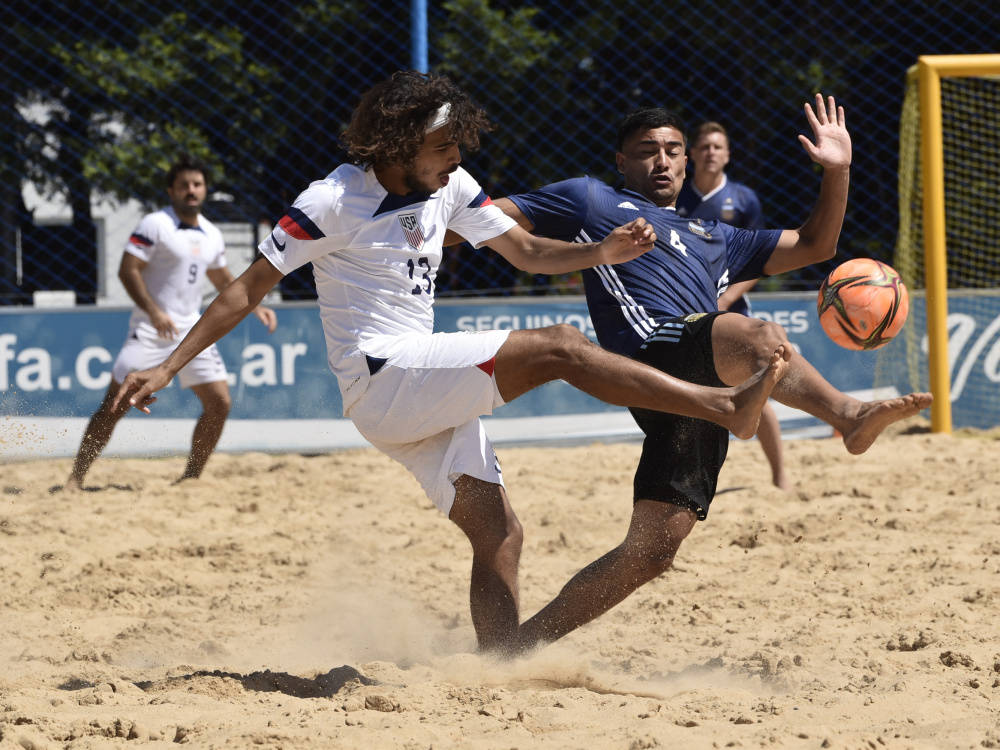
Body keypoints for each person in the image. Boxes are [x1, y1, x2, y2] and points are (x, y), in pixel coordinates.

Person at [111, 71, 793, 658]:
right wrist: (170, 367)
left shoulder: (452, 184)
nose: (457, 155)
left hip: (419, 391)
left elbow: (527, 252)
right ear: (399, 141)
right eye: (444, 143)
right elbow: (243, 289)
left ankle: (498, 667)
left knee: (500, 533)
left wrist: (600, 253)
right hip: (382, 375)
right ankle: (719, 407)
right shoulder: (330, 200)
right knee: (558, 344)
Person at [496, 94, 933, 653]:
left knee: (651, 552)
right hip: (649, 356)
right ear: (621, 162)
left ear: (686, 162)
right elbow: (481, 219)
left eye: (673, 151)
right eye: (647, 151)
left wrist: (839, 170)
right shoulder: (591, 199)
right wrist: (407, 234)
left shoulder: (714, 236)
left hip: (694, 390)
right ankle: (847, 415)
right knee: (759, 336)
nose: (662, 161)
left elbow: (818, 243)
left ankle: (516, 648)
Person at [63, 153, 277, 490]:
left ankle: (190, 479)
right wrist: (153, 310)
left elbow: (224, 280)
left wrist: (255, 306)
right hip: (150, 330)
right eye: (184, 185)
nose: (191, 190)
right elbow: (127, 270)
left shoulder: (211, 233)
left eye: (197, 184)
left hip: (191, 332)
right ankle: (75, 479)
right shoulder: (155, 224)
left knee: (219, 403)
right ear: (171, 191)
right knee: (115, 405)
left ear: (205, 190)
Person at [676, 121, 790, 491]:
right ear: (692, 154)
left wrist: (723, 299)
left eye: (717, 147)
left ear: (727, 155)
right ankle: (688, 480)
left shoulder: (743, 200)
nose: (710, 152)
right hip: (683, 304)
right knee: (686, 394)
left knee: (757, 390)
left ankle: (780, 476)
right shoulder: (676, 197)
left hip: (729, 307)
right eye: (704, 146)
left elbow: (757, 259)